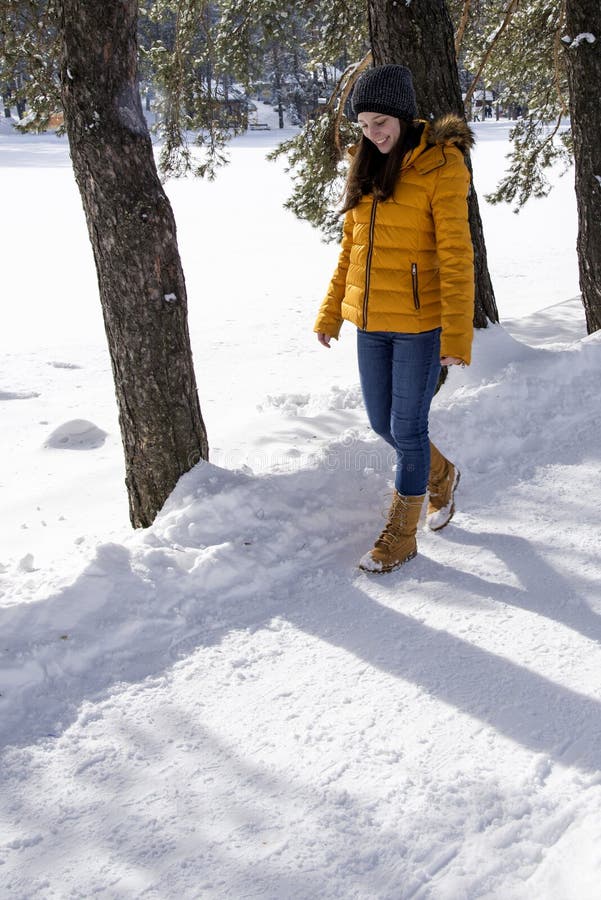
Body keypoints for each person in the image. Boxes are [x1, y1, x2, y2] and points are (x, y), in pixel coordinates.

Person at [314, 64, 475, 574]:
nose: (372, 134)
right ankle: (441, 473)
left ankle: (401, 536)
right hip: (370, 322)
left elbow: (455, 255)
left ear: (403, 116)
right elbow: (351, 250)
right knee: (381, 422)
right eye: (363, 125)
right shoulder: (364, 165)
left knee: (407, 428)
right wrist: (330, 311)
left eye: (380, 122)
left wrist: (456, 333)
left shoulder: (441, 166)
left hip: (419, 323)